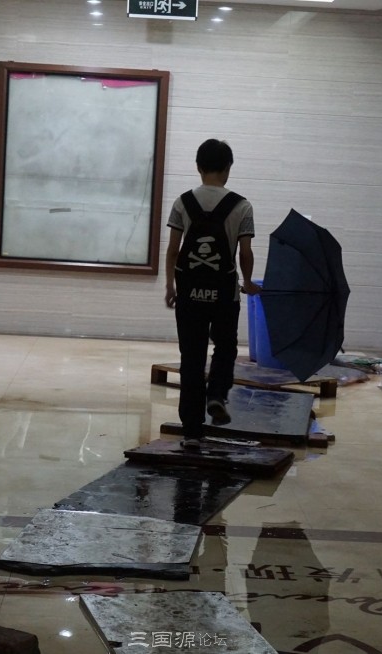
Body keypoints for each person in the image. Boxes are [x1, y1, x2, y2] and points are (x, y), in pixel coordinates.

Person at [164, 139, 261, 449]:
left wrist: (170, 286)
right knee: (226, 346)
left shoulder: (182, 203)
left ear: (198, 167)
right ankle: (217, 394)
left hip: (189, 293)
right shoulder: (242, 206)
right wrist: (248, 281)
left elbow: (173, 250)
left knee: (191, 357)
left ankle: (192, 432)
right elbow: (245, 252)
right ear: (228, 168)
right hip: (224, 293)